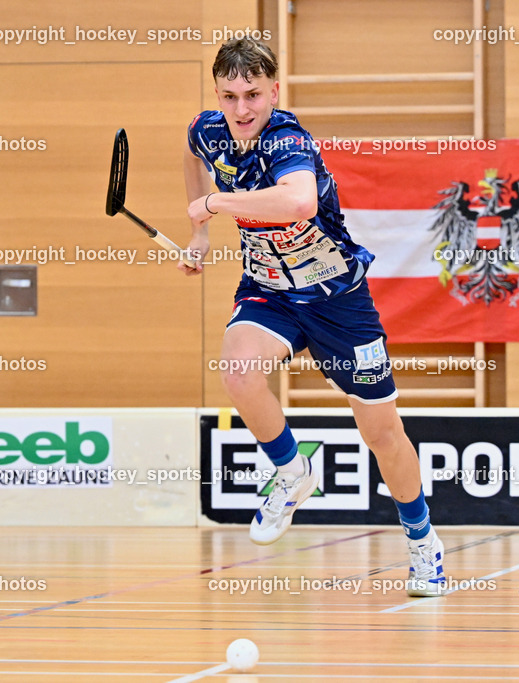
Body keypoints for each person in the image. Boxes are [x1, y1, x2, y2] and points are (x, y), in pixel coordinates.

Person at [180, 38, 445, 597]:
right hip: (269, 291)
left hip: (337, 299)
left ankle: (423, 542)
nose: (241, 108)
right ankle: (293, 471)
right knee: (239, 372)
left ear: (274, 91)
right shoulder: (208, 129)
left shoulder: (287, 140)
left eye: (253, 94)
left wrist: (216, 206)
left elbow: (298, 202)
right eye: (229, 96)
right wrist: (199, 234)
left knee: (383, 434)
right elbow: (192, 154)